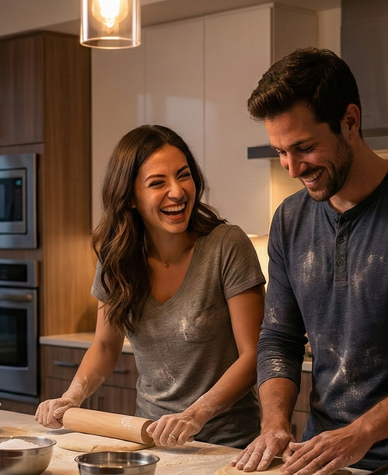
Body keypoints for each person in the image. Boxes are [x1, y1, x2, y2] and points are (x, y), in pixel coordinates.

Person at [232, 48, 388, 475]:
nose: (292, 168)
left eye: (304, 148)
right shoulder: (290, 220)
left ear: (350, 121)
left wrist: (359, 434)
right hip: (321, 460)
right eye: (281, 152)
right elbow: (279, 338)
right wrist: (274, 422)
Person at [35, 125, 266, 449]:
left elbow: (254, 355)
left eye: (183, 175)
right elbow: (104, 346)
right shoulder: (116, 258)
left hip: (226, 445)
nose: (177, 191)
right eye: (158, 183)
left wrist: (194, 415)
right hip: (149, 440)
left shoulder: (226, 246)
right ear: (130, 197)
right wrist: (71, 397)